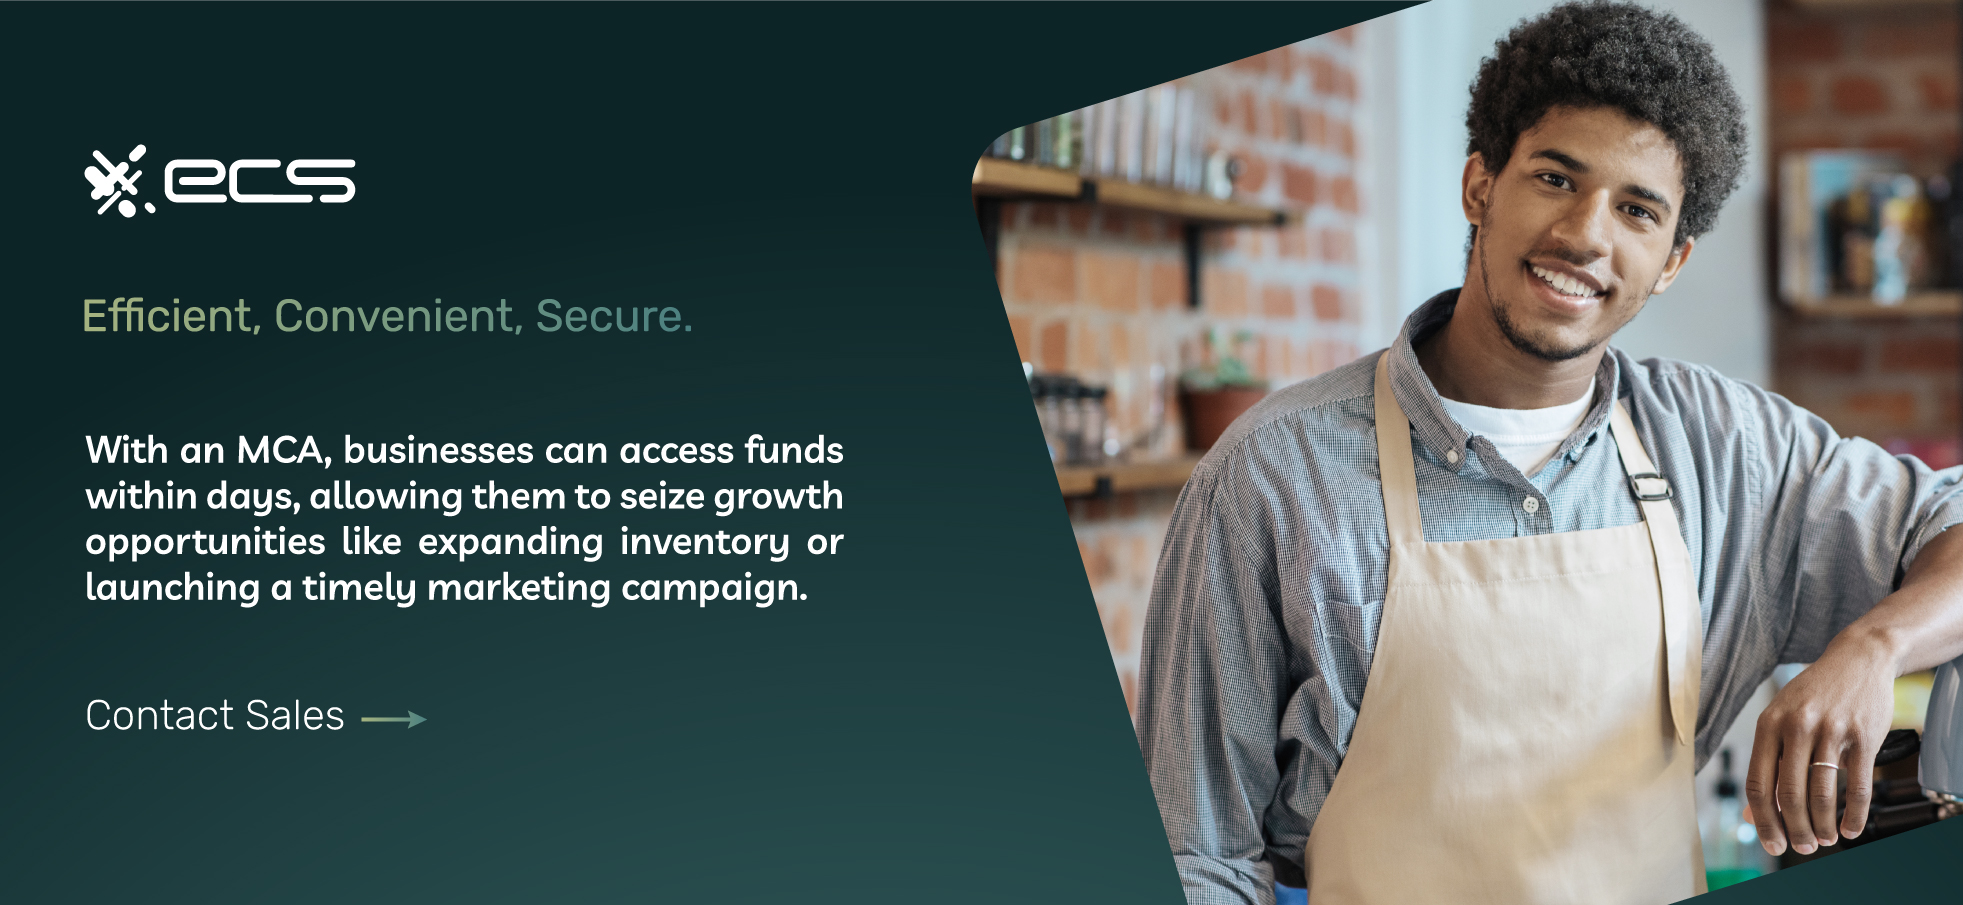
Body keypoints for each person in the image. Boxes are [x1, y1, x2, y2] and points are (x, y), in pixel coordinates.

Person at [1136, 3, 1963, 903]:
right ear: (1478, 185)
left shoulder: (1727, 451)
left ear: (1671, 260)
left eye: (1637, 209)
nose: (1586, 235)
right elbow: (1194, 855)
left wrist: (1873, 645)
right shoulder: (1271, 474)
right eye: (1556, 179)